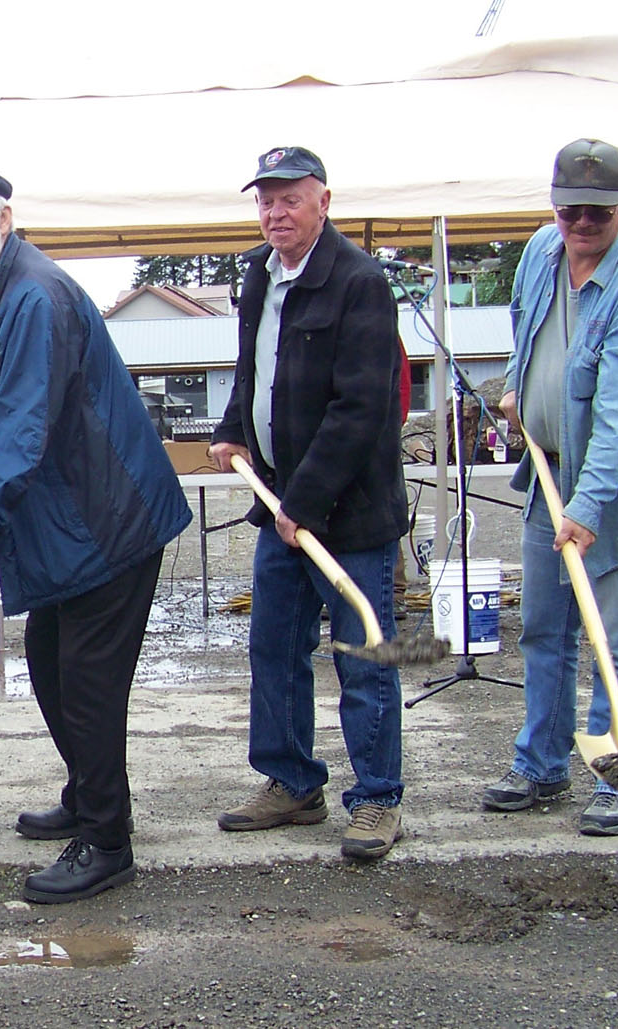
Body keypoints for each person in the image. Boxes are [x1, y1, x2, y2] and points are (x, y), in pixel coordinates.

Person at [0, 165, 192, 902]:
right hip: (72, 520)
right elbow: (11, 411)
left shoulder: (32, 295)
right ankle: (86, 792)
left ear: (2, 218)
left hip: (106, 520)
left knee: (87, 683)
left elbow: (25, 419)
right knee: (48, 657)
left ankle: (107, 839)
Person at [208, 147, 409, 861]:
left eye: (289, 198)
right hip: (281, 505)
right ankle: (291, 781)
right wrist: (233, 428)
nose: (274, 213)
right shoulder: (259, 272)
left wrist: (306, 499)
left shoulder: (358, 282)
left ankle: (377, 796)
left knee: (361, 651)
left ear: (323, 200)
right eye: (264, 200)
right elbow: (252, 369)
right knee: (273, 646)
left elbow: (360, 407)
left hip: (346, 512)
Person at [487, 138, 618, 836]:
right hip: (549, 474)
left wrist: (587, 506)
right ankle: (541, 763)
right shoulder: (542, 251)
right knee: (545, 629)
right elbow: (526, 327)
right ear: (553, 203)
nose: (580, 223)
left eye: (596, 213)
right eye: (569, 208)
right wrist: (517, 386)